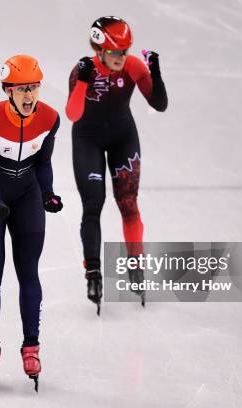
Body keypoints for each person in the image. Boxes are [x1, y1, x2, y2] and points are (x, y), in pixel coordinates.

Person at [0, 54, 62, 391]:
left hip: (27, 195)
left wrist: (49, 193)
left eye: (34, 87)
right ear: (8, 90)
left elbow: (44, 163)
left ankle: (31, 346)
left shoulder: (50, 118)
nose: (30, 95)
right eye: (23, 88)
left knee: (29, 274)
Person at [66, 16, 168, 313]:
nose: (122, 58)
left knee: (128, 203)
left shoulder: (133, 66)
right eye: (115, 53)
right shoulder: (82, 69)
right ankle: (93, 271)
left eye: (125, 51)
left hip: (123, 136)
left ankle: (136, 264)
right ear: (99, 50)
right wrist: (83, 81)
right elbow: (73, 114)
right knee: (93, 204)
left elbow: (159, 104)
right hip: (88, 139)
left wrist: (155, 72)